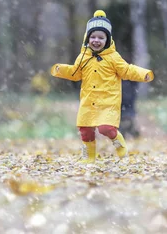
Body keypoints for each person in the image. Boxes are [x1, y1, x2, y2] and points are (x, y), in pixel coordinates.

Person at [51, 10, 153, 163]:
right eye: (93, 37)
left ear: (108, 39)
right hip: (88, 101)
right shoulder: (83, 57)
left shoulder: (113, 57)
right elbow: (75, 73)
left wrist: (143, 74)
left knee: (106, 128)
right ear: (87, 38)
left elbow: (127, 70)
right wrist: (61, 70)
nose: (96, 40)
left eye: (101, 37)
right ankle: (89, 157)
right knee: (85, 131)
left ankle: (120, 145)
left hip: (108, 101)